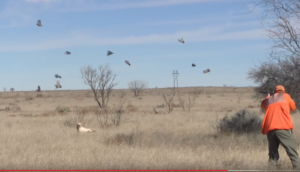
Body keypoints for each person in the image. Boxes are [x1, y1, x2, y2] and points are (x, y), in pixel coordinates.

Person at [261, 85, 300, 169]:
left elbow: (263, 106)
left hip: (270, 129)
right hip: (283, 128)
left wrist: (266, 98)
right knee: (292, 151)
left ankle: (271, 169)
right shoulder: (286, 96)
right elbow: (293, 107)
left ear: (274, 91)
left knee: (273, 154)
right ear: (283, 90)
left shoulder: (269, 99)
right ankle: (297, 168)